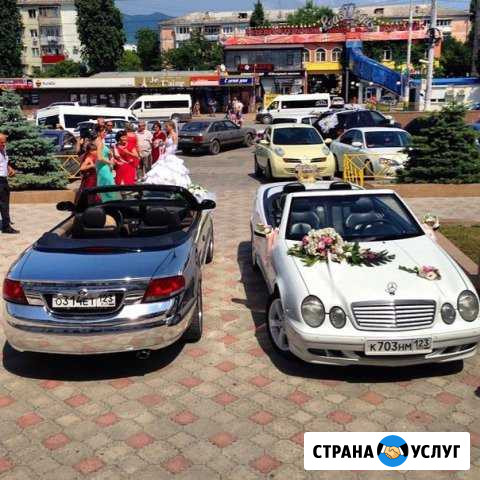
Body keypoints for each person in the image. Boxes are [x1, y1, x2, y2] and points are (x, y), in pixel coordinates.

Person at [143, 120, 191, 188]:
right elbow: (164, 143)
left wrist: (168, 155)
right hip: (165, 154)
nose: (166, 128)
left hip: (170, 155)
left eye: (167, 126)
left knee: (171, 170)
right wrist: (159, 143)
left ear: (171, 126)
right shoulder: (168, 135)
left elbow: (175, 147)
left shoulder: (174, 135)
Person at [0, 133, 19, 234]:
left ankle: (6, 223)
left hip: (3, 180)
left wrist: (9, 168)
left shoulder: (3, 149)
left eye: (4, 142)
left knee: (4, 204)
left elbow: (4, 162)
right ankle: (6, 227)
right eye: (1, 143)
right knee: (3, 204)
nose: (4, 145)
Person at [95, 128, 117, 202]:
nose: (105, 134)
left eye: (106, 132)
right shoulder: (99, 142)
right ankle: (108, 202)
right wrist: (110, 162)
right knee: (108, 184)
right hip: (103, 167)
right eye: (104, 132)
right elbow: (99, 157)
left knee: (105, 185)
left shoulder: (99, 141)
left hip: (103, 166)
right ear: (98, 133)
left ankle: (106, 201)